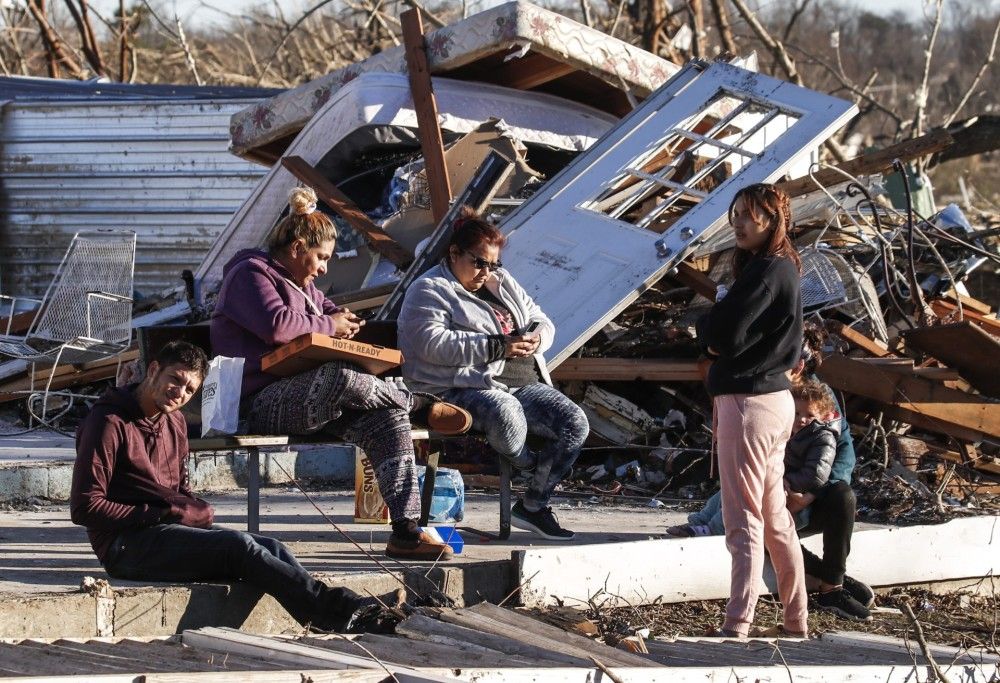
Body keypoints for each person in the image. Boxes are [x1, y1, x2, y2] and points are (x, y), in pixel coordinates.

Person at [210, 186, 471, 562]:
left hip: (310, 400)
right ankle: (417, 402)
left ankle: (407, 531)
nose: (324, 268)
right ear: (297, 248)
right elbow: (278, 326)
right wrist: (329, 325)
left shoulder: (306, 287)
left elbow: (330, 314)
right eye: (321, 257)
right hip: (255, 403)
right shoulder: (249, 275)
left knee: (387, 418)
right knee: (340, 377)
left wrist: (344, 323)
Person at [70, 341, 395, 633]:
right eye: (175, 379)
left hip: (163, 529)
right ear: (154, 370)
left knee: (271, 546)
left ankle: (332, 613)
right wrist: (164, 511)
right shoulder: (108, 423)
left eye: (189, 389)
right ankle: (340, 611)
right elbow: (85, 507)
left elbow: (178, 488)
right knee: (239, 547)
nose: (179, 393)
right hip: (124, 545)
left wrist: (192, 508)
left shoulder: (175, 421)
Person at [397, 210, 589, 541]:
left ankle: (533, 506)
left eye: (493, 264)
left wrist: (538, 338)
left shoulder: (501, 282)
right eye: (479, 263)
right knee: (504, 411)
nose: (487, 271)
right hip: (455, 387)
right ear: (454, 253)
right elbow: (432, 343)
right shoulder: (430, 289)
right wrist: (497, 347)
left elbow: (540, 316)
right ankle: (527, 463)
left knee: (574, 422)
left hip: (522, 383)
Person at [667, 331, 874, 622]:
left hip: (807, 490)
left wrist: (809, 494)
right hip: (773, 486)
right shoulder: (761, 390)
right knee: (750, 516)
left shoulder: (818, 400)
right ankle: (821, 573)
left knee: (843, 496)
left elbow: (842, 452)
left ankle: (832, 588)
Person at [695, 182, 808, 638]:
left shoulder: (765, 272)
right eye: (735, 213)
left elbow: (723, 336)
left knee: (742, 520)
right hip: (774, 401)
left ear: (773, 220)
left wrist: (703, 326)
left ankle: (738, 623)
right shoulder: (783, 268)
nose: (739, 223)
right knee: (774, 517)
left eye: (750, 215)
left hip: (748, 404)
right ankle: (795, 619)